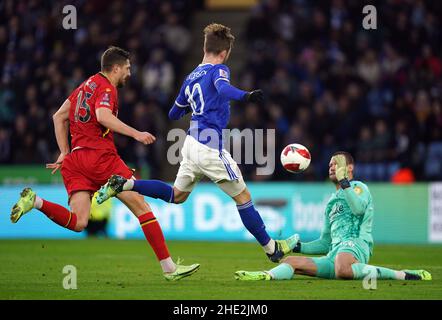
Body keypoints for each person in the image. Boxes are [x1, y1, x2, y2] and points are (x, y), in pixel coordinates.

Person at [96, 24, 298, 263]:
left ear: (204, 47)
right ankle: (271, 248)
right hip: (210, 146)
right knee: (243, 196)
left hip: (190, 144)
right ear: (225, 52)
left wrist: (192, 105)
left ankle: (126, 184)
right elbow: (222, 88)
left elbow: (173, 113)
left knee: (177, 195)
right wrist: (246, 96)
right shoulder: (219, 69)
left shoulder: (190, 77)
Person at [10, 46, 199, 281]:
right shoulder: (107, 87)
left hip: (76, 160)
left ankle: (35, 202)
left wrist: (64, 152)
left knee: (79, 222)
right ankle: (169, 269)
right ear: (116, 68)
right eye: (128, 68)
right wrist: (136, 133)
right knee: (143, 208)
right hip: (100, 158)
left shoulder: (84, 87)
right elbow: (102, 116)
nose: (130, 73)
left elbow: (58, 117)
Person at [234, 152, 432, 281]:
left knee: (343, 266)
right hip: (334, 256)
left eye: (336, 163)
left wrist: (345, 181)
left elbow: (359, 210)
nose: (331, 167)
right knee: (291, 261)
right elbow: (325, 242)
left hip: (356, 247)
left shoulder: (358, 187)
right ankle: (264, 276)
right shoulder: (331, 202)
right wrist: (296, 246)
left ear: (350, 168)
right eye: (329, 164)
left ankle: (402, 275)